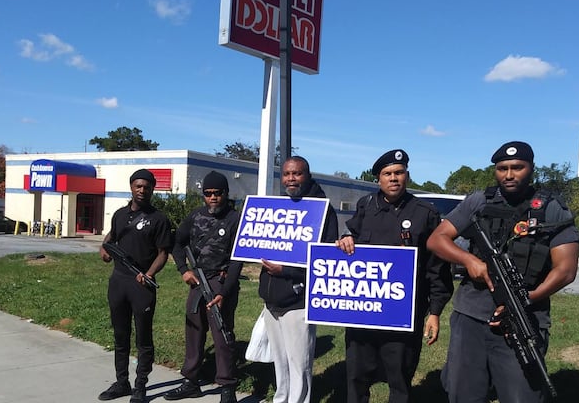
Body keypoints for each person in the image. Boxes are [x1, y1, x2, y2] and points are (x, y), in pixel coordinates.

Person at [427, 141, 579, 403]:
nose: (509, 175)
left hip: (523, 318)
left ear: (531, 168)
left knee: (521, 395)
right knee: (462, 393)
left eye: (517, 168)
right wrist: (470, 260)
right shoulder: (479, 201)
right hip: (471, 316)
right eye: (502, 168)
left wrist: (525, 300)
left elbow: (566, 270)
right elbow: (437, 239)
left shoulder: (551, 208)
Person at [336, 149, 454, 403]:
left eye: (399, 173)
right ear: (378, 178)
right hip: (363, 312)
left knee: (400, 379)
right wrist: (346, 239)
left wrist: (434, 312)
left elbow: (437, 267)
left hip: (404, 313)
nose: (393, 178)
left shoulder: (425, 213)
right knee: (356, 377)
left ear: (407, 176)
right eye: (387, 173)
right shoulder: (366, 206)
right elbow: (351, 237)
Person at [259, 156, 339, 403]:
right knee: (280, 362)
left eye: (296, 174)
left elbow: (324, 261)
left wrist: (287, 271)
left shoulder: (322, 211)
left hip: (298, 300)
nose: (290, 179)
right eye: (286, 174)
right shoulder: (278, 207)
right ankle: (280, 399)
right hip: (272, 300)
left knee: (299, 363)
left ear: (307, 175)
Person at [164, 171, 242, 403]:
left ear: (226, 194)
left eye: (218, 193)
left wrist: (224, 291)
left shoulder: (235, 219)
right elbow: (176, 242)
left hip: (221, 281)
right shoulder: (195, 216)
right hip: (198, 282)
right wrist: (183, 270)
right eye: (208, 194)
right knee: (194, 331)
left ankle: (227, 387)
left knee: (222, 333)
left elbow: (238, 259)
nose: (213, 198)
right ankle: (190, 381)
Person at [98, 169, 172, 403]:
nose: (142, 190)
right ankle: (122, 382)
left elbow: (163, 253)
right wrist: (104, 247)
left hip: (142, 284)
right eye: (138, 186)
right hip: (118, 282)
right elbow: (112, 235)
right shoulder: (120, 214)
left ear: (152, 189)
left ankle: (140, 386)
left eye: (147, 187)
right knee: (121, 336)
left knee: (143, 338)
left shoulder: (159, 219)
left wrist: (149, 273)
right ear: (131, 187)